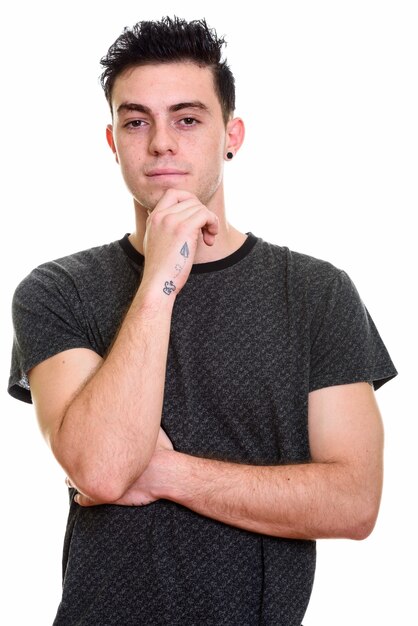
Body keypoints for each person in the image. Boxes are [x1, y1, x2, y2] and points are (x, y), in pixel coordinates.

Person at [8, 16, 397, 626]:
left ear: (231, 135)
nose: (161, 141)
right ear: (113, 142)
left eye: (187, 119)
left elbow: (353, 503)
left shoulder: (318, 294)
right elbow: (105, 467)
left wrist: (163, 471)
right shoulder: (57, 291)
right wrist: (162, 277)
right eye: (136, 121)